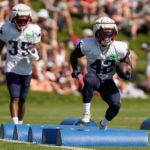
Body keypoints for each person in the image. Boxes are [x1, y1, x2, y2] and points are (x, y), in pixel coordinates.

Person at [70, 16, 132, 129]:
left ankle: (103, 124)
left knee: (116, 105)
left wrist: (126, 71)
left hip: (108, 80)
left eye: (110, 34)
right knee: (88, 78)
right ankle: (86, 114)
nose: (108, 37)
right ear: (97, 32)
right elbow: (74, 56)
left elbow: (127, 64)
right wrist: (75, 68)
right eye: (105, 34)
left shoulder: (120, 47)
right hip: (94, 77)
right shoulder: (87, 44)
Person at [0, 3, 41, 124]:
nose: (22, 23)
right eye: (20, 20)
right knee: (15, 97)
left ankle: (20, 124)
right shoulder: (6, 28)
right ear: (13, 18)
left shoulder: (34, 29)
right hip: (11, 67)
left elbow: (37, 45)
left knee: (23, 99)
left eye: (25, 20)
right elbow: (1, 44)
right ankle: (15, 124)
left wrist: (33, 51)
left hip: (26, 69)